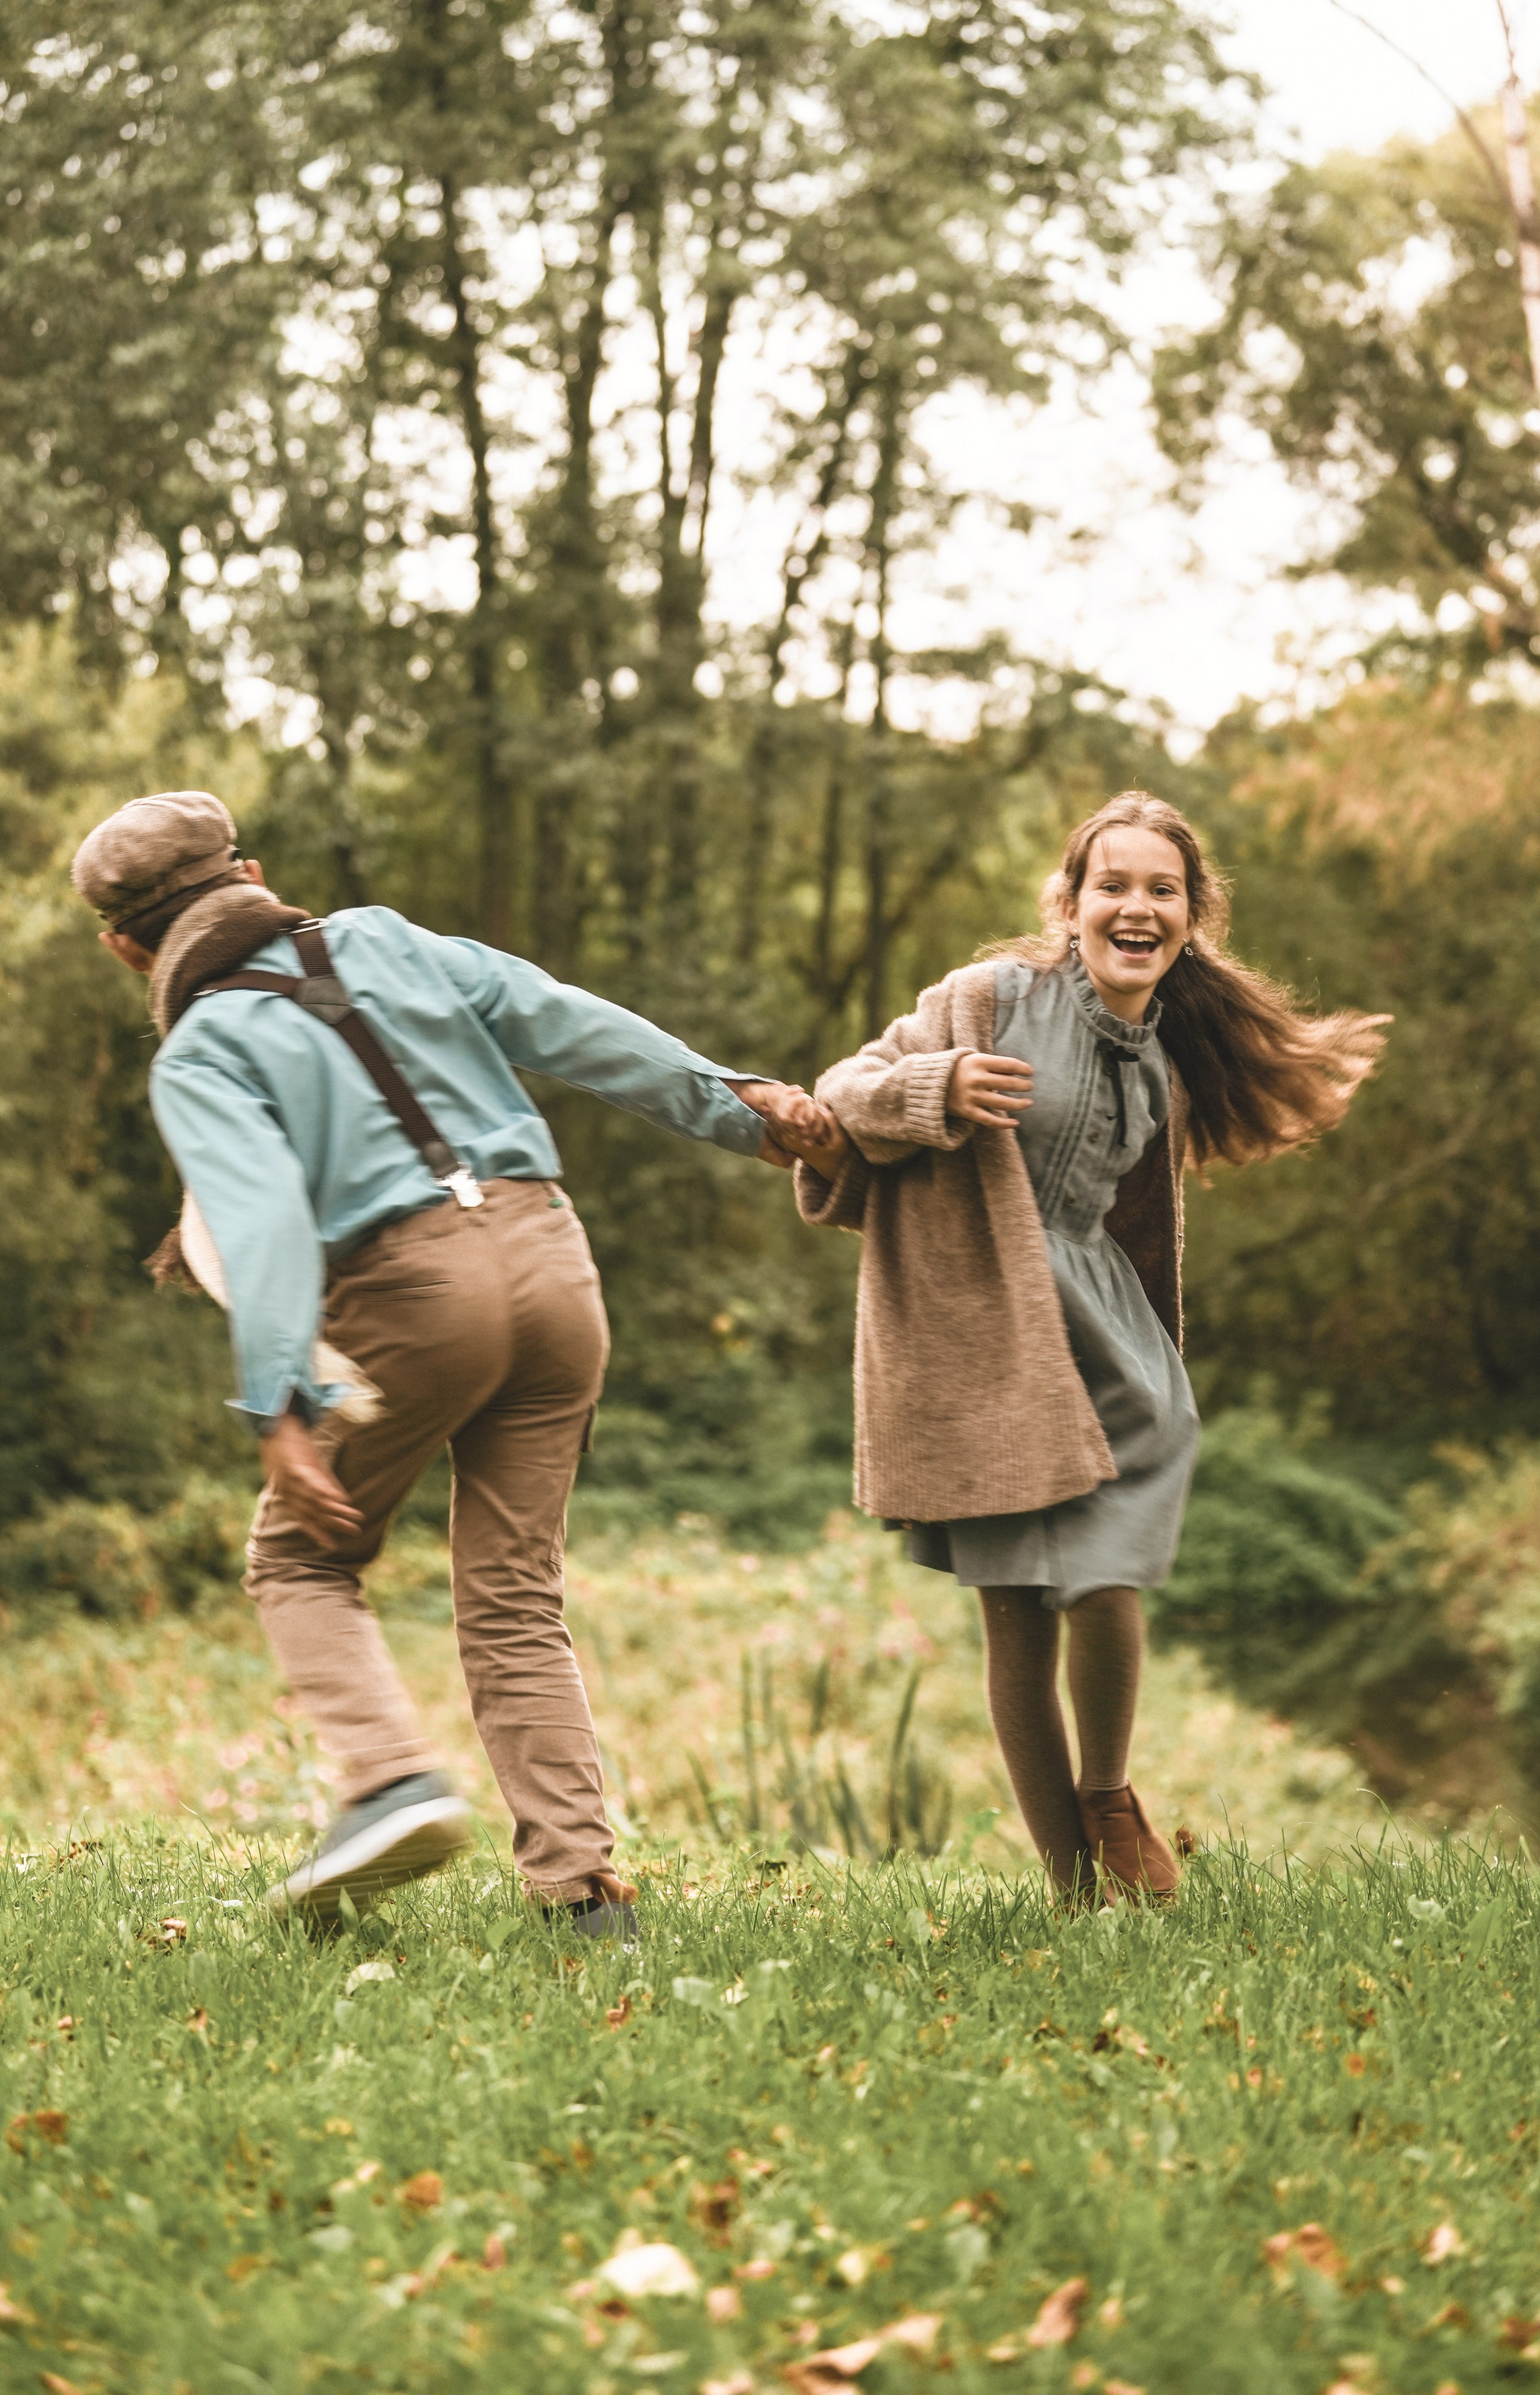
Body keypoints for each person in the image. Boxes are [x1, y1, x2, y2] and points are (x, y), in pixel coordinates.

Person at [72, 789, 829, 1935]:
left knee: (299, 1563)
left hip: (414, 1291)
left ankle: (387, 1785)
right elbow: (569, 1020)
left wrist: (283, 1403)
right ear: (254, 873)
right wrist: (737, 1105)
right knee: (515, 1588)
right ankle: (582, 1892)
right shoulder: (386, 937)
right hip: (553, 1262)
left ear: (127, 948)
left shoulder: (203, 1049)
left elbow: (266, 1218)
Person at [791, 791, 1386, 1906]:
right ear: (1069, 904)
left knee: (1108, 1571)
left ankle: (1108, 1798)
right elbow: (842, 1092)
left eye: (1161, 890)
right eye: (1113, 885)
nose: (1136, 906)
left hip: (1111, 1341)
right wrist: (940, 1086)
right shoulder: (990, 1000)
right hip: (993, 1335)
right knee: (1016, 1608)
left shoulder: (1165, 1048)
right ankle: (1072, 1895)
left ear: (1192, 917)